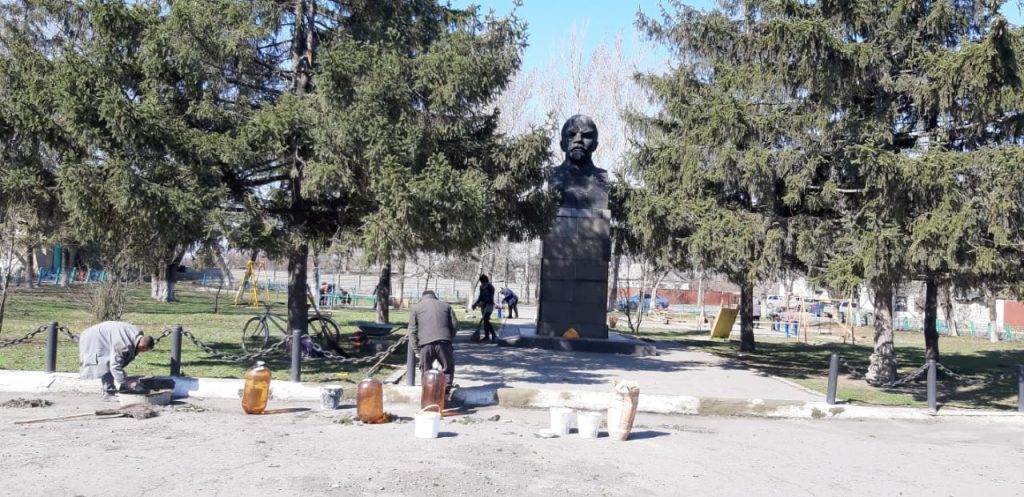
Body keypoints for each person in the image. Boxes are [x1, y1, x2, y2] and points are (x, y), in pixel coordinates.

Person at [78, 321, 154, 400]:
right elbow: (115, 366)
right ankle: (108, 393)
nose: (142, 352)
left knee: (110, 362)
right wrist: (126, 383)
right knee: (106, 364)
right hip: (94, 338)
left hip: (105, 334)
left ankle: (117, 389)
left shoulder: (138, 335)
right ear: (142, 346)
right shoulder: (123, 345)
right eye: (144, 351)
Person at [408, 290, 459, 393]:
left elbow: (412, 331)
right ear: (435, 296)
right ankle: (446, 391)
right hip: (444, 341)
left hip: (425, 344)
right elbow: (455, 325)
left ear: (422, 297)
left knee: (426, 371)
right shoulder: (446, 306)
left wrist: (416, 350)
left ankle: (428, 393)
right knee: (447, 368)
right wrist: (449, 338)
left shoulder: (416, 308)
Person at [471, 274, 496, 341]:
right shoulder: (481, 287)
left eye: (483, 282)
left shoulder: (490, 287)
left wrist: (484, 302)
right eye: (481, 283)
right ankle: (486, 336)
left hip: (489, 305)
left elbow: (490, 297)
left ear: (486, 281)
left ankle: (494, 335)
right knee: (485, 321)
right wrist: (475, 304)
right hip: (483, 306)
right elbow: (480, 297)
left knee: (486, 319)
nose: (482, 284)